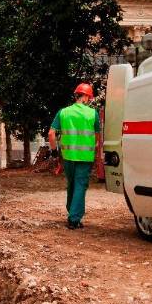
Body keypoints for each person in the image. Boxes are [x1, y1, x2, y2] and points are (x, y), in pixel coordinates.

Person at [48, 83, 101, 230]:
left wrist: (54, 152)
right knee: (80, 185)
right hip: (85, 157)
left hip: (68, 157)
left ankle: (72, 211)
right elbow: (97, 137)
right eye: (89, 98)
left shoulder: (63, 112)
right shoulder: (92, 114)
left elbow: (51, 134)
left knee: (72, 184)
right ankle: (74, 219)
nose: (89, 100)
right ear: (86, 97)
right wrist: (95, 154)